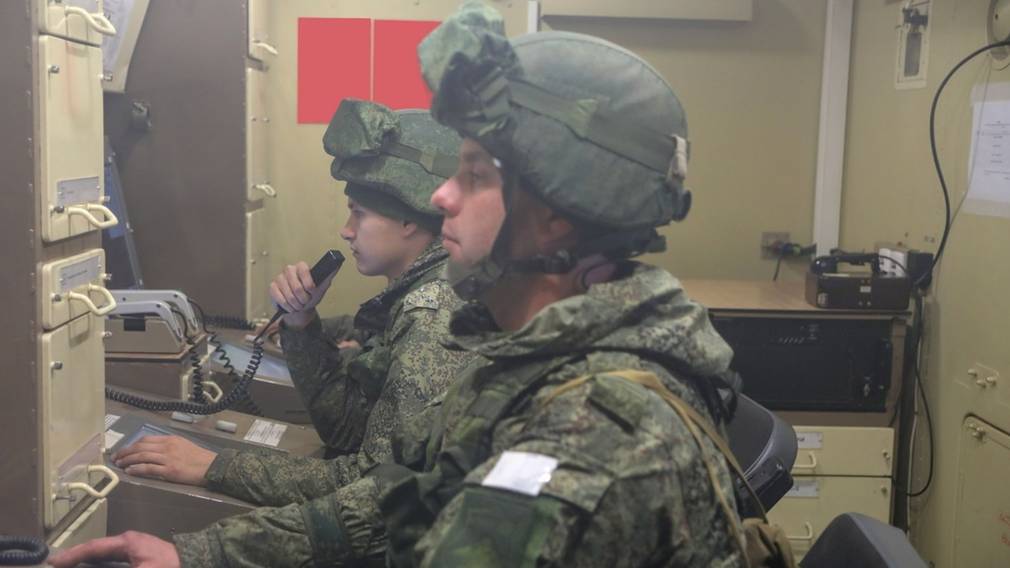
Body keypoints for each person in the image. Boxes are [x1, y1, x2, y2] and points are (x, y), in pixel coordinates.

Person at [52, 2, 747, 566]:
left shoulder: (590, 443)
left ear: (555, 216)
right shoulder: (528, 358)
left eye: (475, 175)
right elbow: (395, 500)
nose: (440, 197)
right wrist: (200, 554)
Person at [109, 100, 477, 507]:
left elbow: (374, 489)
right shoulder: (418, 292)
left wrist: (216, 467)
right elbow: (347, 431)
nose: (346, 231)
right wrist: (301, 322)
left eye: (358, 214)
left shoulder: (432, 313)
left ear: (409, 219)